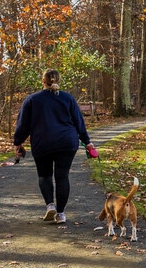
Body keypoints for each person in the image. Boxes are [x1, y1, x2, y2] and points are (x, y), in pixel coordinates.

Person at [13, 69, 96, 224]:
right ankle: (61, 214)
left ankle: (50, 205)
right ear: (58, 80)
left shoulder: (32, 100)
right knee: (62, 176)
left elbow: (23, 124)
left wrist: (18, 142)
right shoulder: (68, 98)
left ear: (43, 81)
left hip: (42, 142)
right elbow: (79, 122)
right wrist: (87, 141)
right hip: (66, 142)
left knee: (44, 175)